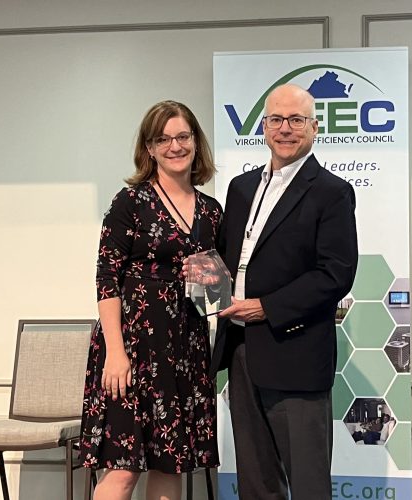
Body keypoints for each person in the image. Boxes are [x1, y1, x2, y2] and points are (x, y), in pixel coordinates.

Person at [211, 83, 359, 499]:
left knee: (308, 485)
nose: (285, 129)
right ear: (263, 126)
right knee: (256, 484)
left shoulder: (331, 192)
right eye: (276, 119)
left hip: (296, 355)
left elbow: (336, 274)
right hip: (242, 353)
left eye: (296, 119)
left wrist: (267, 307)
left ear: (315, 127)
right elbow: (229, 258)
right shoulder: (241, 188)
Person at [79, 100, 222, 500]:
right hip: (132, 349)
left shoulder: (212, 212)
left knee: (169, 464)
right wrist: (115, 353)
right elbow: (107, 279)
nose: (175, 146)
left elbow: (214, 289)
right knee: (123, 470)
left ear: (196, 142)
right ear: (149, 148)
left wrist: (215, 282)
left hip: (185, 349)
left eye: (183, 136)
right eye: (163, 139)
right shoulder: (130, 201)